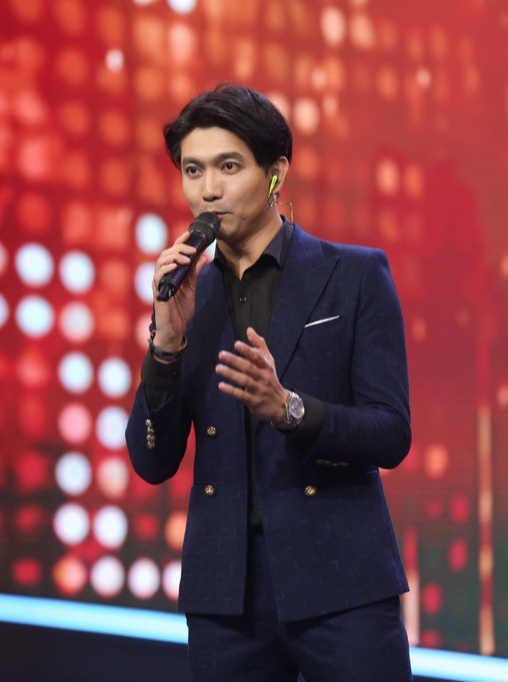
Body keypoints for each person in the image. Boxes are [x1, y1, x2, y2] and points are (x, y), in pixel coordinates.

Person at [125, 83, 413, 681]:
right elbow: (152, 462)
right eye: (193, 170)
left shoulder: (354, 275)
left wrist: (289, 410)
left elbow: (390, 433)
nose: (208, 189)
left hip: (342, 582)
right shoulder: (188, 297)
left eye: (229, 167)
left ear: (275, 172)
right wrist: (167, 344)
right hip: (224, 594)